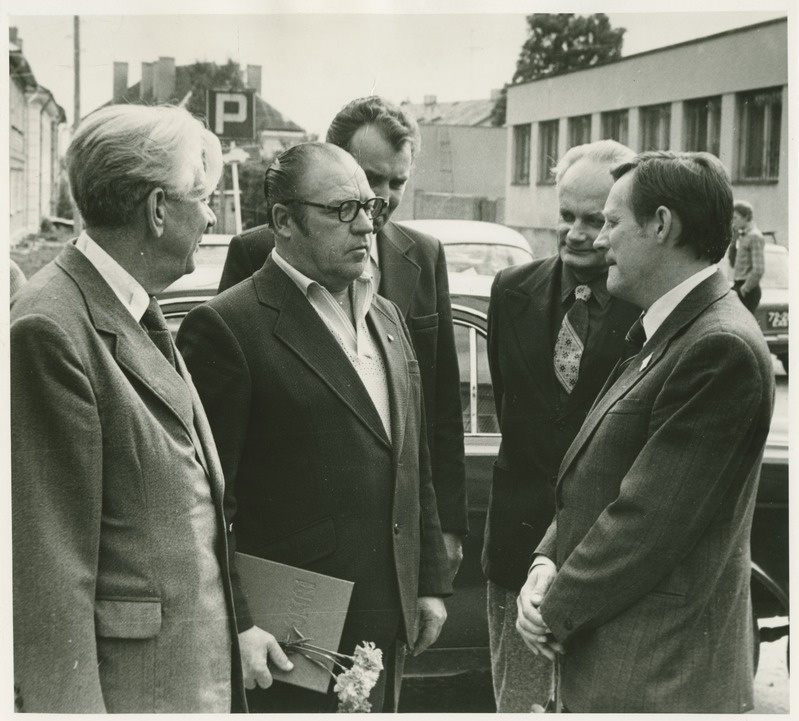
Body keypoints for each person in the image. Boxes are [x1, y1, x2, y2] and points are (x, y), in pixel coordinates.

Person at [177, 142, 452, 713]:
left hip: (386, 617)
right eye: (341, 211)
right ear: (283, 221)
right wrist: (240, 623)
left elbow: (411, 456)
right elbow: (202, 500)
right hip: (289, 636)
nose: (366, 228)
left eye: (370, 208)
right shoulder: (227, 327)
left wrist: (427, 582)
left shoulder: (387, 315)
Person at [10, 104, 261, 713]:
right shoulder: (50, 327)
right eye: (200, 197)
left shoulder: (129, 305)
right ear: (156, 210)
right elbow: (49, 578)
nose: (209, 216)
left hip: (176, 680)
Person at [517, 151, 775, 713]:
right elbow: (599, 477)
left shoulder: (717, 347)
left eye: (611, 222)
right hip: (633, 667)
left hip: (659, 678)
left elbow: (648, 517)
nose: (598, 240)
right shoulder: (671, 332)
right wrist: (546, 561)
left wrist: (552, 608)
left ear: (662, 225)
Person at [218, 96, 467, 585]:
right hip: (305, 555)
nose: (384, 200)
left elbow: (438, 409)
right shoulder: (257, 249)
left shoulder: (426, 255)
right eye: (372, 180)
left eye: (398, 182)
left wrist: (447, 529)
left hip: (397, 543)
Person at [482, 140, 640, 712]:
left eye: (595, 220)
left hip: (603, 557)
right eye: (566, 216)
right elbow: (514, 408)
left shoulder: (649, 309)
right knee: (519, 704)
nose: (575, 233)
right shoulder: (510, 291)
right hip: (517, 544)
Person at [731, 199, 765, 313]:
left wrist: (744, 289)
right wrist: (733, 240)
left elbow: (759, 269)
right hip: (738, 285)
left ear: (746, 217)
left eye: (735, 218)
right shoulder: (743, 235)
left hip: (748, 289)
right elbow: (733, 263)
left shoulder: (754, 236)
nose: (733, 222)